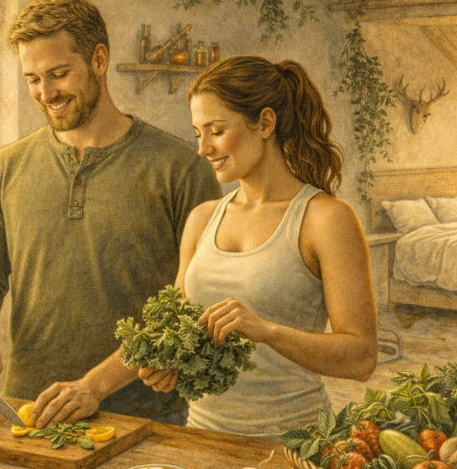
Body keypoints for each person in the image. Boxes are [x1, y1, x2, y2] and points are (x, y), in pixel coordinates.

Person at [0, 0, 220, 429]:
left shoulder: (181, 168)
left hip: (146, 418)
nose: (46, 93)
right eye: (33, 78)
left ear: (98, 59)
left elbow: (196, 299)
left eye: (59, 74)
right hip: (26, 411)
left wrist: (94, 386)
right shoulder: (4, 167)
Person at [139, 56, 378, 440]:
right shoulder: (202, 218)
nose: (203, 148)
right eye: (197, 132)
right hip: (202, 436)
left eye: (216, 130)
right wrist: (169, 364)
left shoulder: (325, 219)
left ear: (265, 123)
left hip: (294, 444)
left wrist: (266, 331)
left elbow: (362, 358)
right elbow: (184, 329)